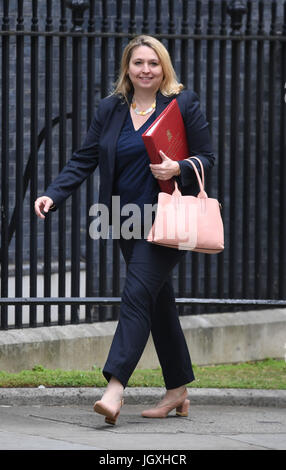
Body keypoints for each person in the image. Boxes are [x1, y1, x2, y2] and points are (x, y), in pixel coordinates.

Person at [34, 35, 214, 425]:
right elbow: (85, 157)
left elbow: (207, 157)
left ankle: (114, 389)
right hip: (123, 219)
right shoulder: (111, 109)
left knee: (135, 296)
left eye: (153, 62)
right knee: (157, 303)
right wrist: (53, 194)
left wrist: (178, 168)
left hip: (168, 219)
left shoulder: (182, 103)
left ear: (163, 66)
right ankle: (178, 388)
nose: (146, 69)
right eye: (138, 63)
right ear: (127, 68)